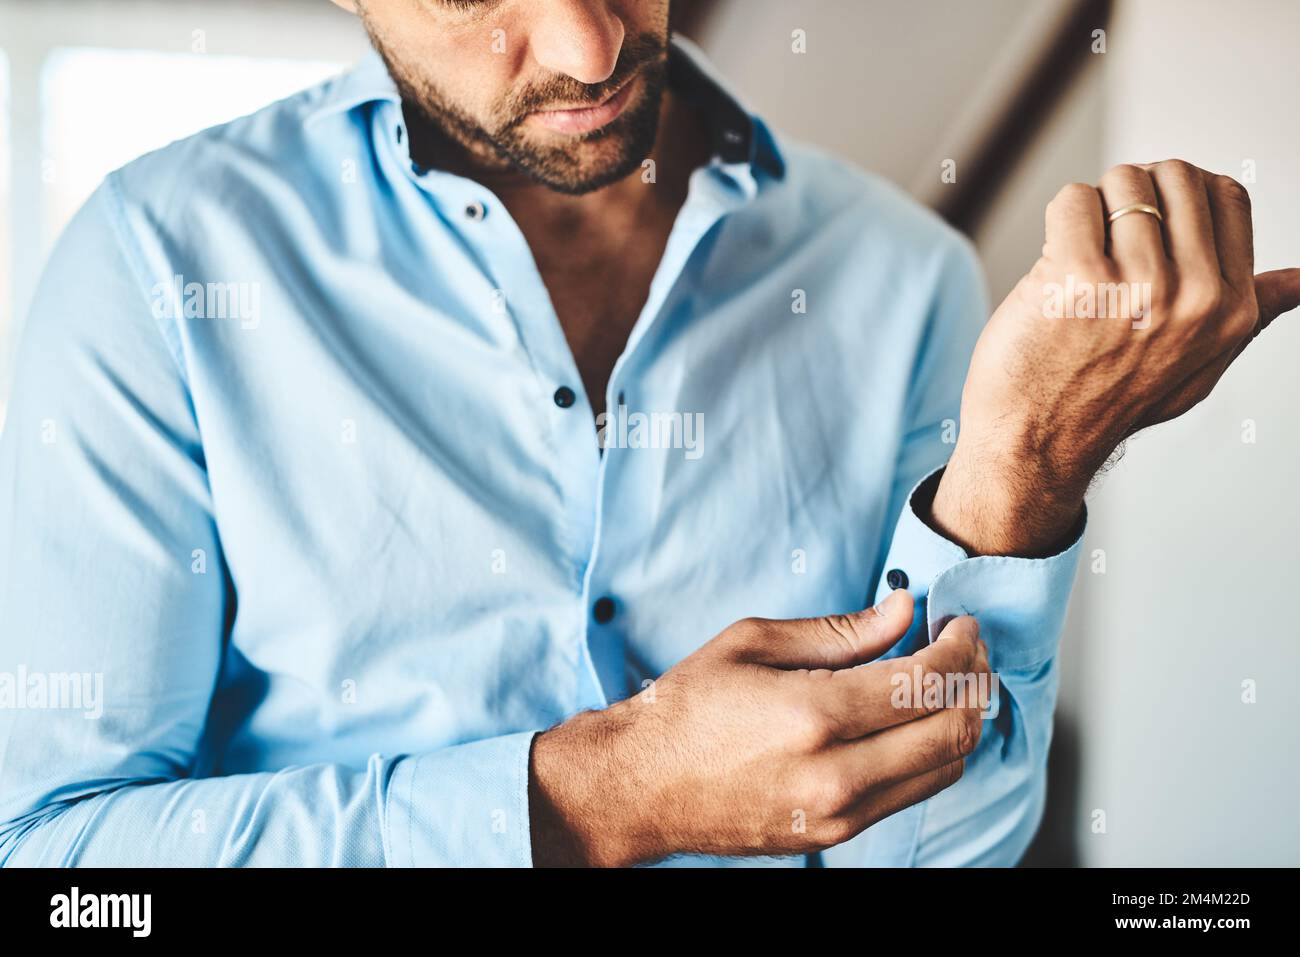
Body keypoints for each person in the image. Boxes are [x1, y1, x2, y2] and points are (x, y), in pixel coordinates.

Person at [1, 0, 1296, 867]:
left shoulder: (904, 277)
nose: (585, 44)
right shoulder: (158, 263)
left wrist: (1028, 467)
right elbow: (62, 863)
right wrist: (600, 792)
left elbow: (939, 860)